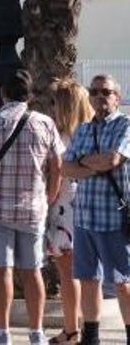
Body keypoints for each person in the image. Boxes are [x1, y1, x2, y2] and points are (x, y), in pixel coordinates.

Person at [0, 69, 62, 345]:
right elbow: (57, 164)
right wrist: (50, 196)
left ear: (3, 93)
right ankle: (36, 333)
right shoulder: (45, 123)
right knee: (33, 271)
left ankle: (2, 333)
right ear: (30, 95)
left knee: (2, 271)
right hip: (33, 207)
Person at [62, 74, 130, 345]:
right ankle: (91, 338)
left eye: (106, 92)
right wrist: (94, 163)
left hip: (114, 217)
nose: (100, 96)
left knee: (123, 283)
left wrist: (82, 161)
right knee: (89, 280)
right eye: (95, 91)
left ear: (117, 97)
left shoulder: (125, 126)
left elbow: (113, 159)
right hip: (85, 217)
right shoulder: (83, 129)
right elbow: (66, 168)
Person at [47, 80, 93, 345]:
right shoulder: (91, 136)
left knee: (68, 274)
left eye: (55, 103)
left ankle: (71, 330)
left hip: (65, 211)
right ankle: (89, 329)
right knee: (90, 277)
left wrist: (45, 204)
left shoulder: (61, 139)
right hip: (89, 210)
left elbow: (56, 179)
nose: (52, 108)